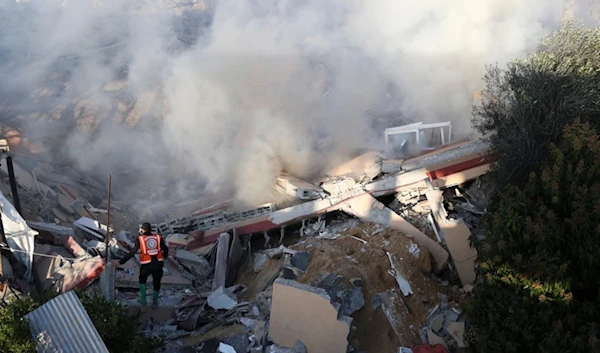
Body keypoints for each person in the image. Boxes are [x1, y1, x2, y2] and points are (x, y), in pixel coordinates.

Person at [112, 222, 168, 307]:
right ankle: (154, 303)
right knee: (156, 283)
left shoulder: (140, 239)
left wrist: (120, 262)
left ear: (142, 230)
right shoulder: (158, 238)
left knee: (142, 280)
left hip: (146, 265)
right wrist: (164, 256)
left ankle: (143, 300)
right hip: (158, 264)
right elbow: (165, 249)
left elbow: (132, 252)